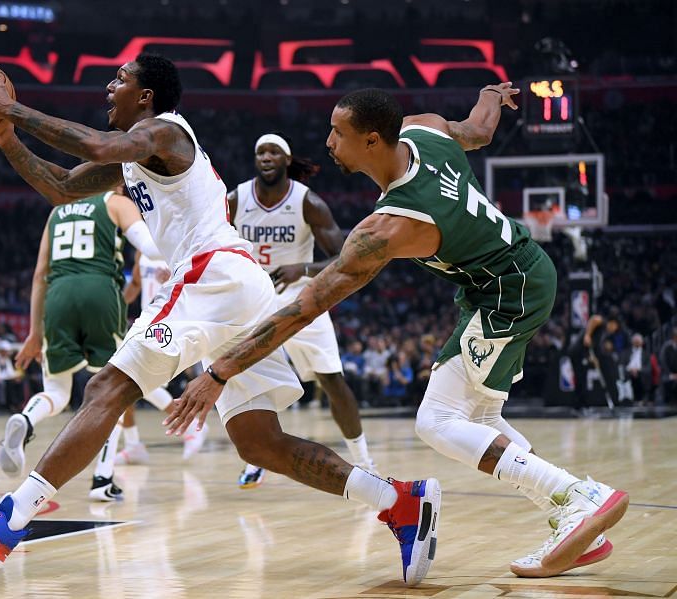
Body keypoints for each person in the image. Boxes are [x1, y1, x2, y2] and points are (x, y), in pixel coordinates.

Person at [0, 54, 439, 587]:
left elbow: (98, 145)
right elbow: (61, 186)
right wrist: (6, 138)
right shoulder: (134, 159)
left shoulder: (167, 133)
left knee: (108, 384)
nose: (109, 88)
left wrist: (9, 107)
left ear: (146, 96)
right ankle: (400, 502)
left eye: (120, 80)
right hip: (236, 288)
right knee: (260, 443)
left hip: (210, 276)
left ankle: (10, 518)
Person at [170, 84, 629, 579]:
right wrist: (492, 93)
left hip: (507, 291)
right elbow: (478, 129)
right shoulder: (424, 130)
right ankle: (575, 517)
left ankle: (582, 499)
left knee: (437, 420)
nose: (327, 142)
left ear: (372, 141)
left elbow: (305, 307)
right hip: (508, 279)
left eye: (337, 133)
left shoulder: (385, 228)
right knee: (479, 416)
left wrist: (219, 372)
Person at [228, 132, 377, 488]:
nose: (265, 157)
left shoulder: (307, 201)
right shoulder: (235, 199)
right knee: (250, 381)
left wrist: (303, 268)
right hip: (254, 299)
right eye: (260, 152)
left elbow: (345, 259)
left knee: (332, 379)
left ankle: (363, 460)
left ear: (286, 160)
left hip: (301, 296)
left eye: (273, 152)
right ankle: (259, 460)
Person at [0, 188, 161, 501]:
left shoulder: (56, 212)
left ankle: (27, 419)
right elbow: (152, 249)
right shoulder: (116, 203)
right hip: (99, 292)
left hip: (58, 297)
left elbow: (39, 275)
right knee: (112, 393)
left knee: (57, 391)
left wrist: (35, 333)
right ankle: (102, 478)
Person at [114, 239, 209, 466]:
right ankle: (133, 445)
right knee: (124, 378)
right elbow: (136, 283)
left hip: (171, 320)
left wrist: (177, 280)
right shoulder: (142, 247)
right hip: (148, 320)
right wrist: (115, 308)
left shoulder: (176, 239)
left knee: (133, 378)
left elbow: (199, 280)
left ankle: (191, 428)